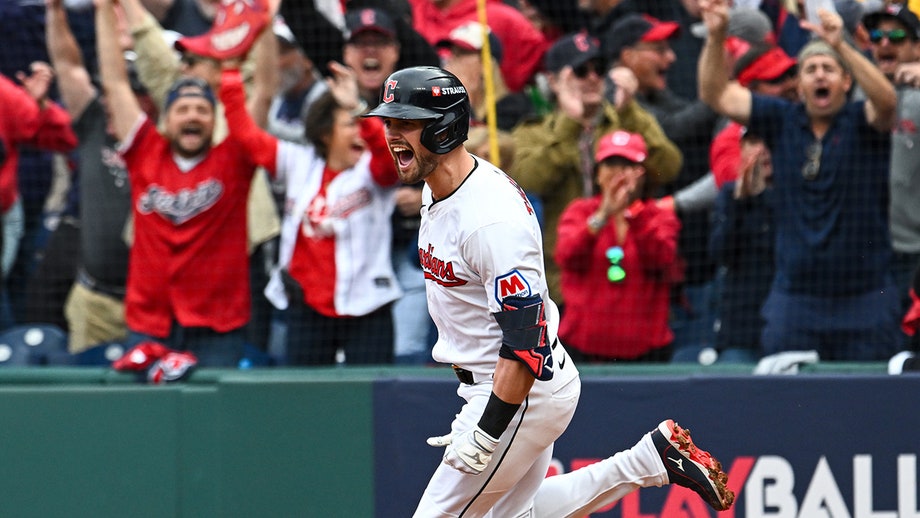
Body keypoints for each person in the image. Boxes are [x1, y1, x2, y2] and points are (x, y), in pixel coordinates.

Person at [363, 65, 733, 517]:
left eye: (407, 124)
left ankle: (647, 461)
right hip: (508, 381)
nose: (393, 135)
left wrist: (487, 429)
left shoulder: (489, 220)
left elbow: (525, 342)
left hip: (517, 390)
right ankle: (651, 458)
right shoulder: (440, 185)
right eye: (389, 123)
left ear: (445, 128)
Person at [698, 0, 902, 361]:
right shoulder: (782, 119)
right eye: (810, 69)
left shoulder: (863, 121)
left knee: (870, 408)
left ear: (846, 81)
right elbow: (716, 93)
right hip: (796, 300)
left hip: (865, 298)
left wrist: (841, 45)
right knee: (785, 409)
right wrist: (716, 36)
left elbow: (887, 101)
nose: (819, 75)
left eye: (828, 69)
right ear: (800, 84)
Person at [94, 0, 276, 366]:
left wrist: (266, 23)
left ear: (214, 119)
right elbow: (114, 82)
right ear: (166, 116)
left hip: (216, 326)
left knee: (214, 421)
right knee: (148, 420)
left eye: (201, 110)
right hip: (151, 322)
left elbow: (266, 91)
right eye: (183, 109)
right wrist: (102, 10)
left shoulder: (234, 159)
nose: (192, 117)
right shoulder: (144, 150)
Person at [509, 32, 682, 311]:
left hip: (631, 276)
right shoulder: (534, 132)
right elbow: (529, 180)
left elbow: (668, 168)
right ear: (553, 81)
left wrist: (630, 113)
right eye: (580, 71)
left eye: (599, 70)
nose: (592, 78)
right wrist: (570, 123)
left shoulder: (627, 119)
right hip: (563, 280)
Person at [260, 63, 402, 366]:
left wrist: (358, 109)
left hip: (368, 310)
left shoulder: (372, 167)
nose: (360, 130)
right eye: (349, 123)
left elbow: (390, 164)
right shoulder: (300, 162)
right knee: (308, 402)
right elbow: (248, 139)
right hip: (308, 311)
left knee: (370, 402)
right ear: (325, 133)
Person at [45, 0, 158, 352]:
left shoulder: (169, 138)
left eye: (129, 94)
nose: (112, 101)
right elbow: (67, 65)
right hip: (94, 301)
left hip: (153, 305)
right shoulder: (94, 123)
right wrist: (54, 13)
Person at [556, 130, 681, 362]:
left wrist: (635, 216)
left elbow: (662, 258)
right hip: (583, 350)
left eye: (627, 165)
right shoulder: (579, 211)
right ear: (597, 174)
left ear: (642, 174)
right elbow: (567, 256)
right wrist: (603, 214)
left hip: (646, 353)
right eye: (610, 165)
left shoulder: (657, 216)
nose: (618, 174)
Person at [862, 4, 920, 352]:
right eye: (877, 36)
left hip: (915, 252)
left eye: (897, 36)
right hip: (868, 251)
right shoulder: (856, 91)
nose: (885, 43)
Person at [709, 131, 776, 363]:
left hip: (785, 328)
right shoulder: (729, 195)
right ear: (742, 149)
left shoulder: (794, 195)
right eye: (755, 142)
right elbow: (720, 252)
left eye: (770, 142)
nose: (763, 150)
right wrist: (742, 202)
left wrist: (761, 199)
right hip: (740, 330)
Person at [436, 21, 535, 131]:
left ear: (487, 64)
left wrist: (465, 99)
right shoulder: (443, 106)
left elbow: (486, 143)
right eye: (452, 53)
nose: (451, 60)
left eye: (462, 53)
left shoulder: (513, 108)